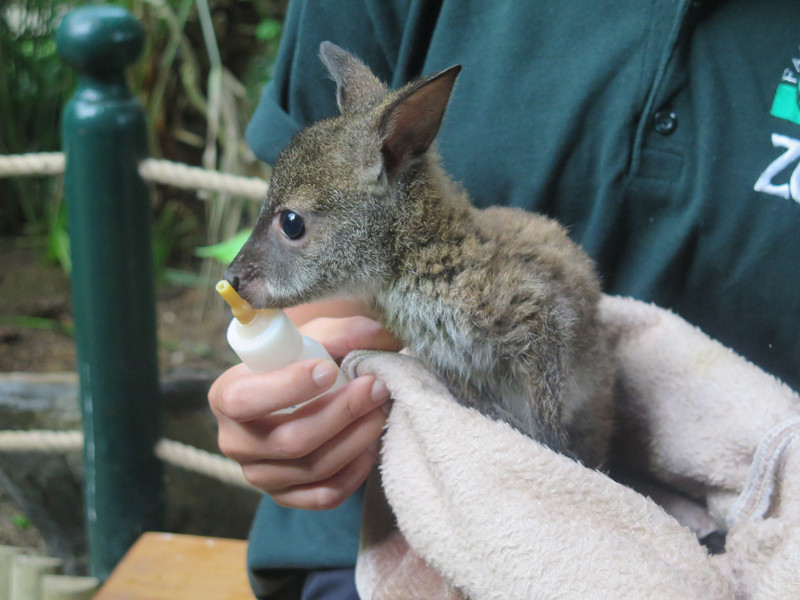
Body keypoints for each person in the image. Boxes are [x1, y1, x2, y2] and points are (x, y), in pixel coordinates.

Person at [208, 1, 800, 598]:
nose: (242, 270)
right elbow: (329, 328)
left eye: (290, 225)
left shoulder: (487, 289)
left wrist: (553, 483)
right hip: (357, 539)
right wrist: (295, 405)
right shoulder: (392, 282)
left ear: (394, 150)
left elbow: (559, 371)